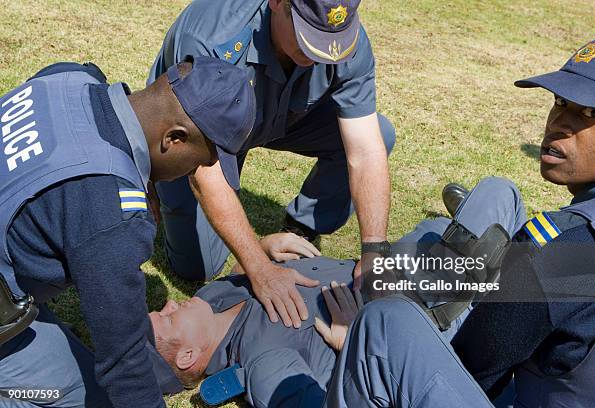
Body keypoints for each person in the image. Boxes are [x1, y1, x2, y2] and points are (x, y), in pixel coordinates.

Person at [324, 33, 595, 408]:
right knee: (468, 215)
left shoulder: (566, 251)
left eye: (590, 113)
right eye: (560, 102)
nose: (560, 122)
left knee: (383, 323)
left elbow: (471, 368)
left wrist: (369, 348)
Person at [0, 56, 255, 408]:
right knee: (95, 397)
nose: (195, 171)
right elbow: (125, 362)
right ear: (175, 139)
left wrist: (138, 174)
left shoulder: (70, 76)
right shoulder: (113, 213)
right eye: (200, 161)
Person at [148, 175, 525, 407]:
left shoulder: (213, 300)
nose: (167, 302)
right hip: (416, 310)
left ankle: (474, 246)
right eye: (165, 318)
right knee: (498, 194)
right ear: (187, 356)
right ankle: (483, 258)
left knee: (439, 228)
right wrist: (356, 342)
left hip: (389, 267)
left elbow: (238, 270)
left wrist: (261, 250)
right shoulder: (263, 366)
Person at [148, 0, 397, 330]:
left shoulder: (341, 41)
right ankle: (151, 184)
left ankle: (299, 229)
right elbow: (207, 173)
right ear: (279, 3)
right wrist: (258, 267)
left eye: (330, 42)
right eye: (310, 36)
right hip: (198, 135)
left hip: (280, 116)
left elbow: (366, 150)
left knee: (380, 133)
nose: (322, 54)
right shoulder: (210, 38)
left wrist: (374, 252)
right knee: (197, 267)